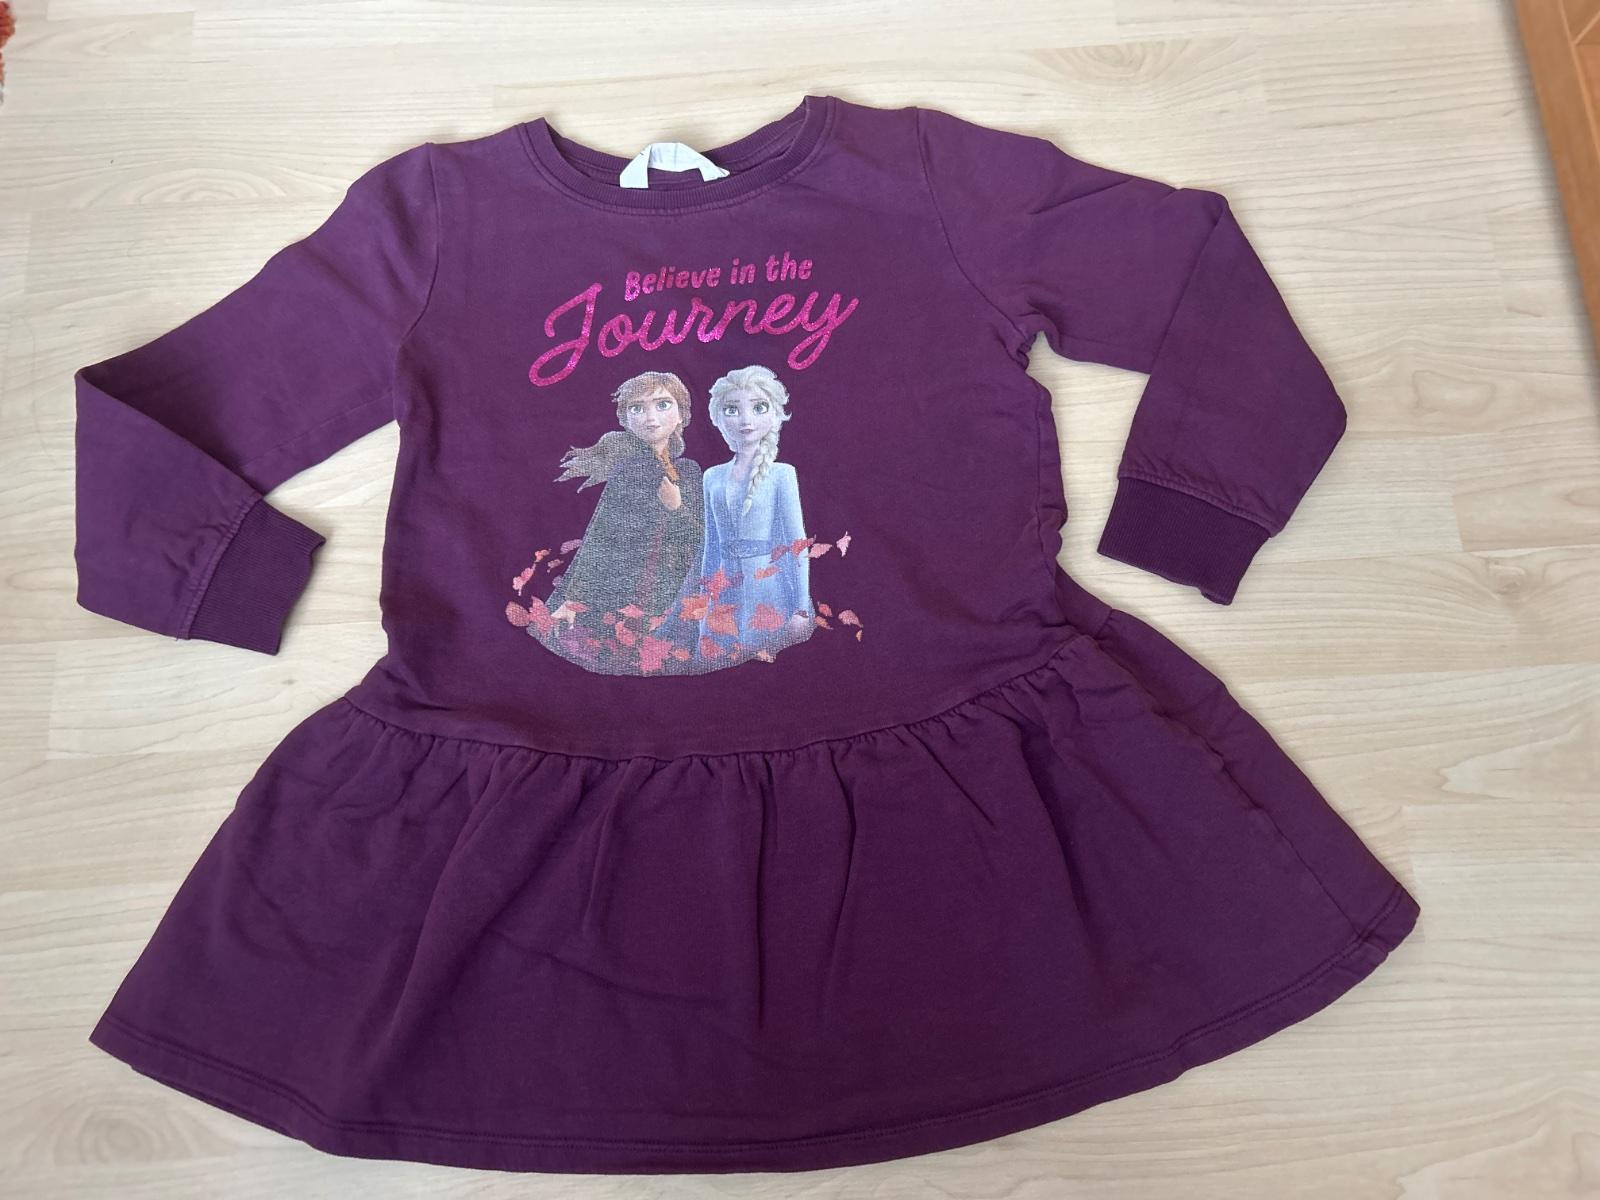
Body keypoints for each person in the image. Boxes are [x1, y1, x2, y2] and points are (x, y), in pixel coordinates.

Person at [532, 371, 704, 675]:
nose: (650, 417)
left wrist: (676, 508)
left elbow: (701, 538)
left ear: (682, 414)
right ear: (625, 419)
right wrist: (574, 598)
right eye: (637, 408)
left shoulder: (689, 472)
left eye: (663, 404)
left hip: (675, 587)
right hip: (624, 587)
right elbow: (601, 535)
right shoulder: (629, 471)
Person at [689, 364, 814, 665]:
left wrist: (800, 607)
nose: (746, 420)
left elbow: (797, 543)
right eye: (732, 410)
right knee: (719, 663)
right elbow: (711, 547)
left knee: (767, 663)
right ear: (718, 417)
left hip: (768, 589)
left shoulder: (782, 474)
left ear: (775, 413)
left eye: (759, 408)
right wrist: (704, 604)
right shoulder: (712, 477)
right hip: (724, 591)